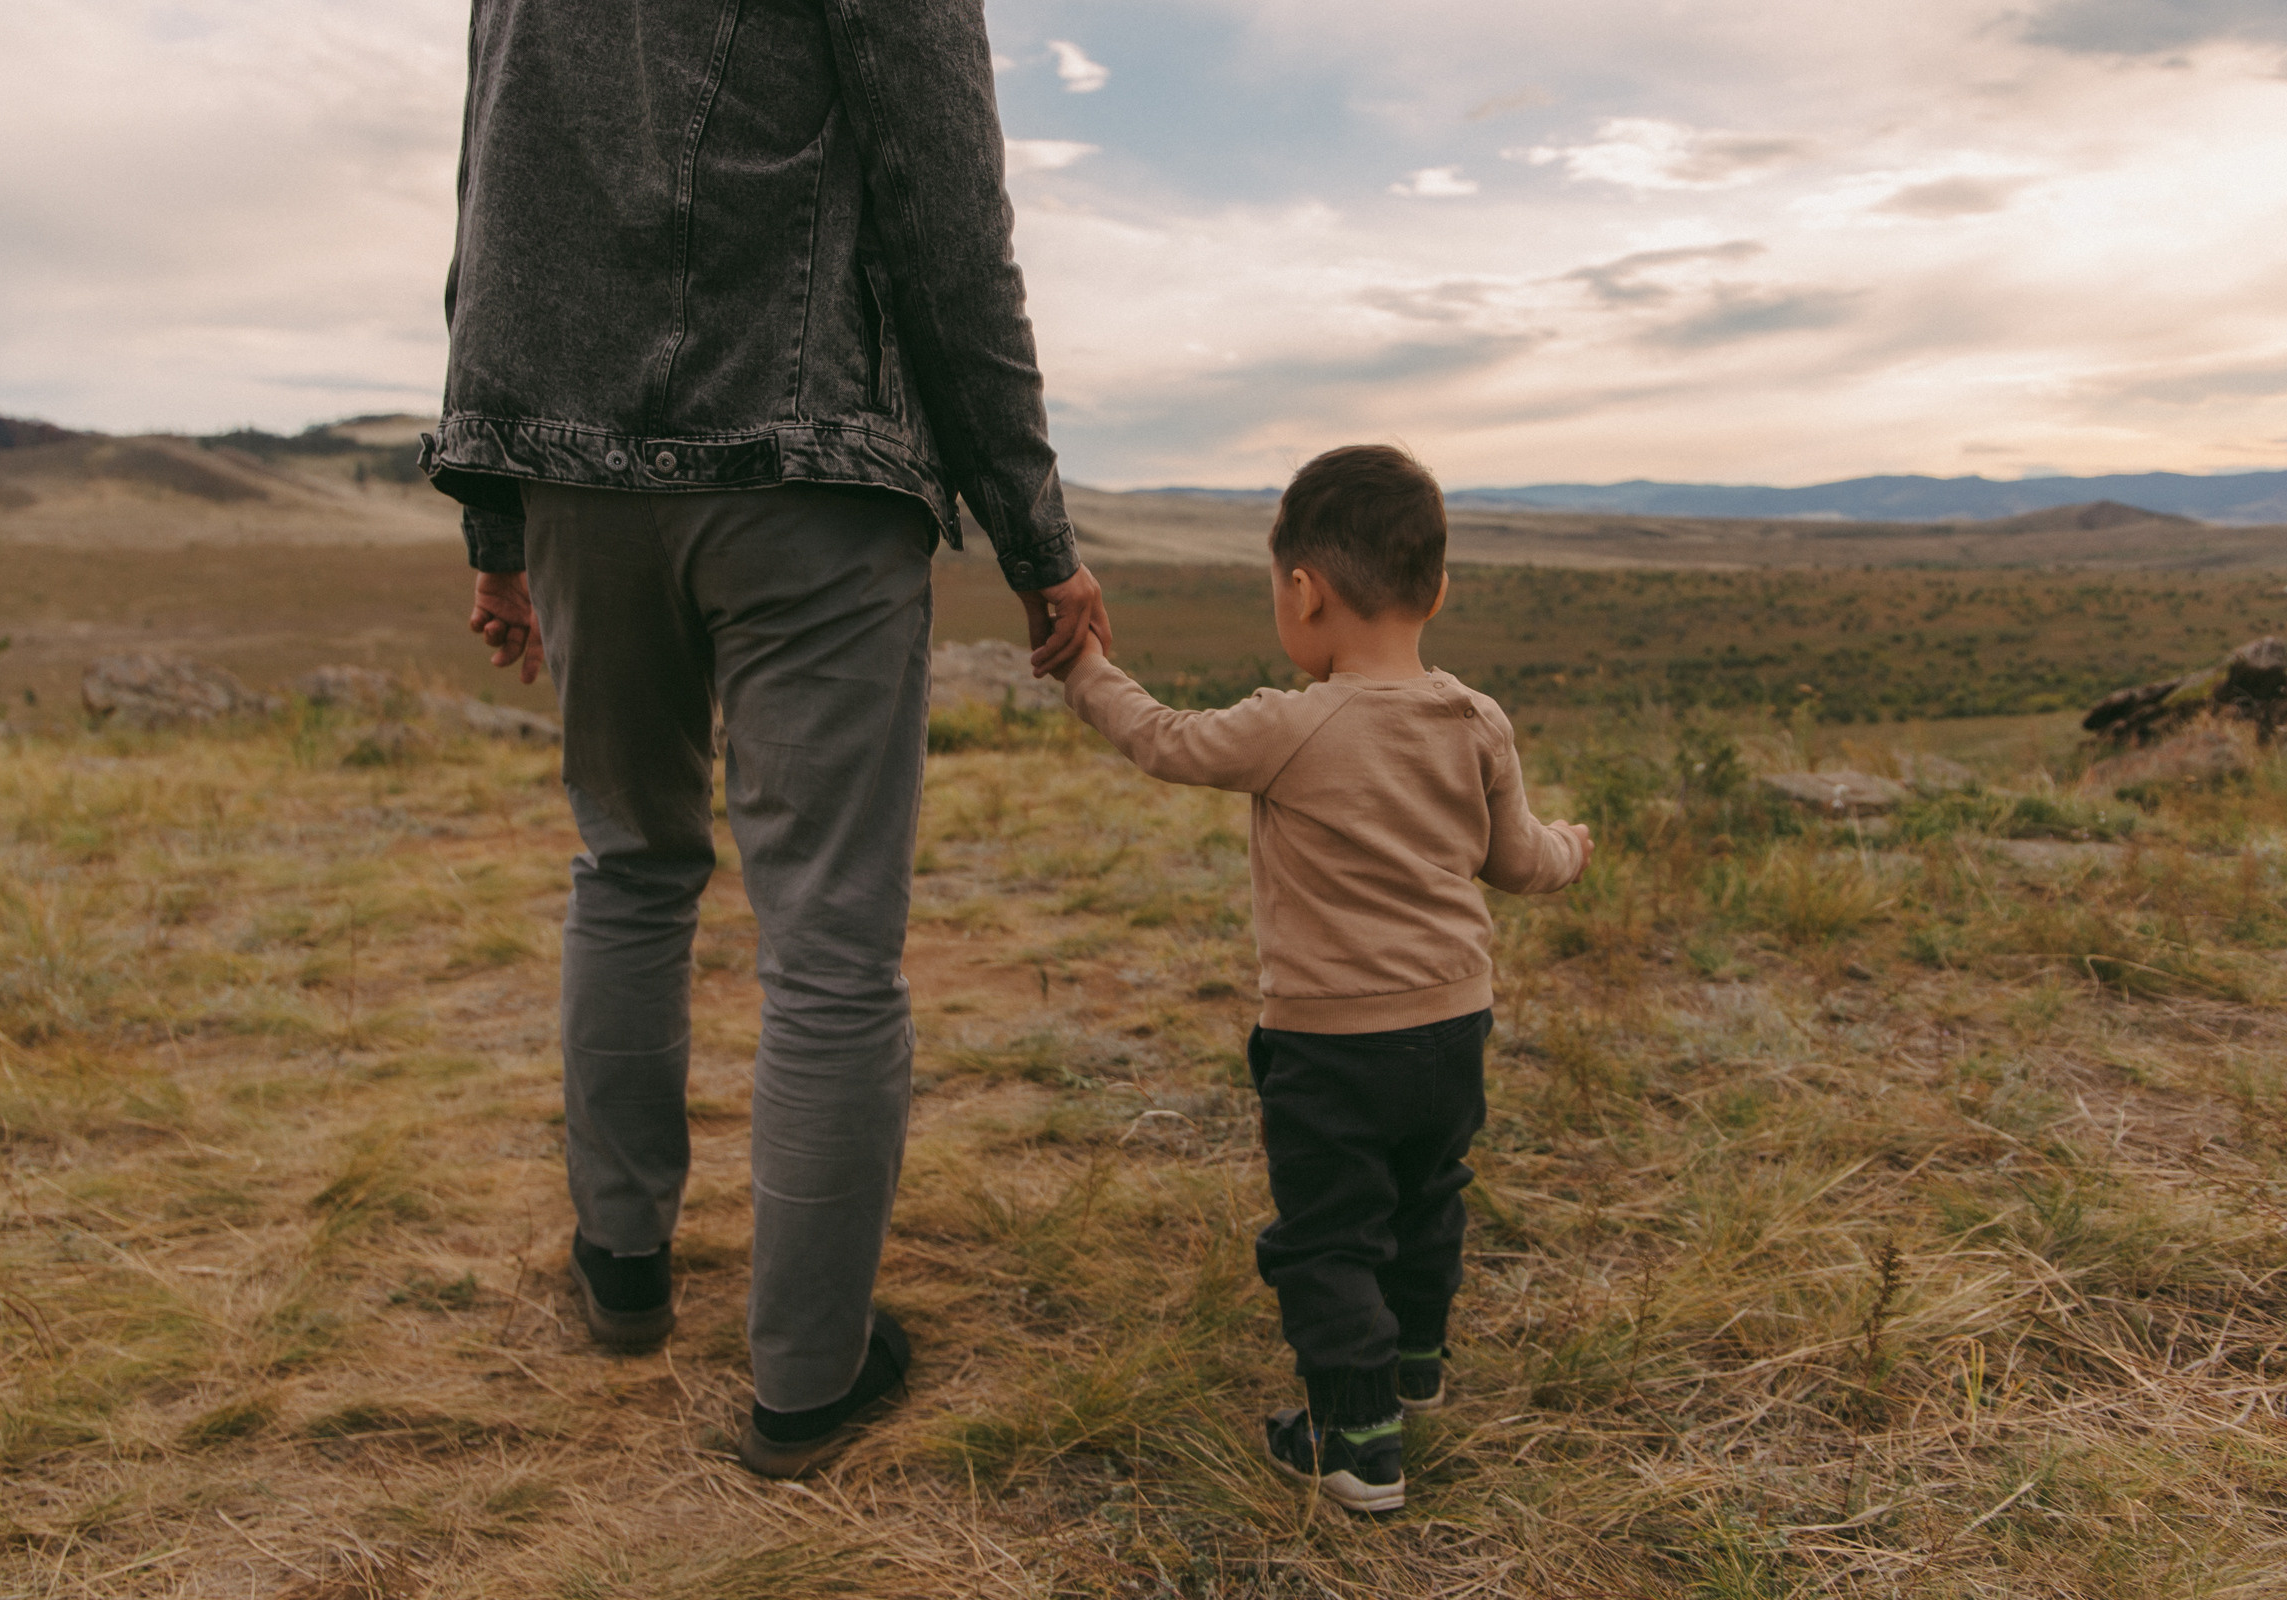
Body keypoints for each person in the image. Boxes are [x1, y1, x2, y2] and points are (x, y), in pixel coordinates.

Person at [421, 0, 1111, 1479]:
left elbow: (490, 194)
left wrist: (499, 511)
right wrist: (1034, 526)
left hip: (572, 469)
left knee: (627, 865)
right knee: (832, 946)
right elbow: (945, 206)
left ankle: (621, 1273)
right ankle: (807, 1384)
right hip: (807, 468)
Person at [1052, 445, 1591, 1514]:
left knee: (1329, 1229)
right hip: (1455, 1023)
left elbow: (1162, 740)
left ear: (1305, 591)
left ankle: (1356, 1440)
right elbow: (1518, 859)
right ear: (1435, 589)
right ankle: (1416, 1364)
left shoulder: (1293, 723)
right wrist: (1576, 845)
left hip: (1330, 1043)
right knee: (1429, 1192)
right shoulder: (1475, 719)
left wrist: (1083, 672)